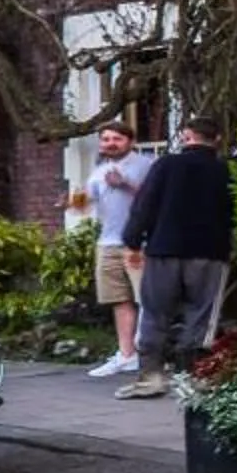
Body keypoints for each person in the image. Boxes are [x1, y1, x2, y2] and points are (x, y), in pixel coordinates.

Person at [117, 115, 233, 400]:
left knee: (155, 312)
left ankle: (151, 377)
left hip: (164, 250)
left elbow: (145, 203)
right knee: (201, 316)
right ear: (216, 139)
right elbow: (233, 213)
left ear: (186, 136)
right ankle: (195, 377)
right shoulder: (224, 171)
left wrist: (132, 239)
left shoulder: (166, 165)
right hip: (209, 253)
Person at [66, 122, 155, 376]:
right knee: (119, 299)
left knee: (147, 300)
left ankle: (150, 357)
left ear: (130, 141)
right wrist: (71, 204)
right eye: (105, 139)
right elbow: (85, 205)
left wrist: (125, 184)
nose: (109, 144)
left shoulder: (146, 165)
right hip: (107, 242)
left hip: (139, 242)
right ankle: (126, 356)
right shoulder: (99, 170)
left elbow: (157, 200)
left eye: (116, 139)